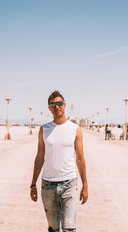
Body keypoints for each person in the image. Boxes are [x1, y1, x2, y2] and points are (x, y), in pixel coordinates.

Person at [30, 90, 88, 232]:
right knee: (53, 229)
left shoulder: (75, 129)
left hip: (69, 183)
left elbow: (80, 159)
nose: (57, 107)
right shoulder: (44, 129)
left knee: (70, 228)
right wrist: (33, 184)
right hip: (48, 185)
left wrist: (85, 185)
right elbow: (39, 158)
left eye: (60, 103)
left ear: (64, 105)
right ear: (49, 108)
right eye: (53, 104)